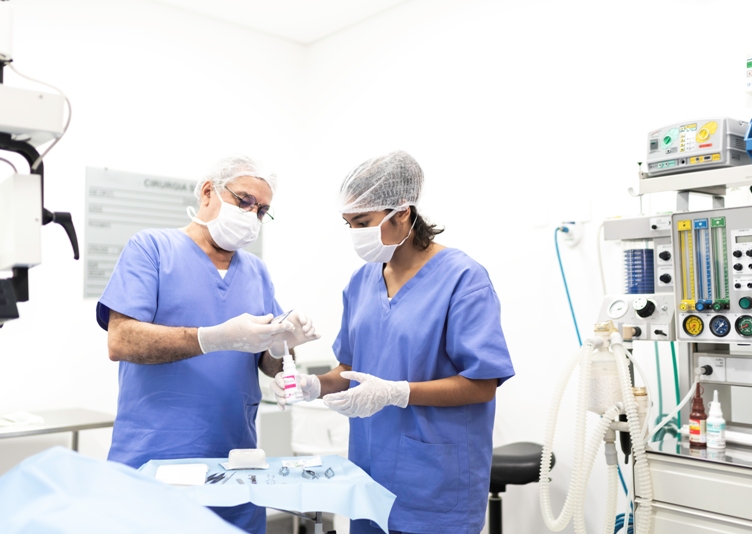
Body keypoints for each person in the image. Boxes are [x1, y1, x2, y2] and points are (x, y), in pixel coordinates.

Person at [271, 150, 515, 534]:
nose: (355, 233)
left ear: (403, 212)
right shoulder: (360, 283)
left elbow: (482, 384)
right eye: (348, 223)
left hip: (434, 483)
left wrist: (397, 393)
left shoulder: (464, 281)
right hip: (369, 475)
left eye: (363, 222)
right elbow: (350, 369)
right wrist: (314, 385)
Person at [97, 154, 319, 534]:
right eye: (244, 201)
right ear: (207, 192)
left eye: (262, 210)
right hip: (155, 462)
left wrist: (284, 346)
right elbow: (121, 340)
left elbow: (268, 362)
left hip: (236, 465)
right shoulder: (151, 248)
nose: (252, 215)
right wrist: (213, 337)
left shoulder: (256, 271)